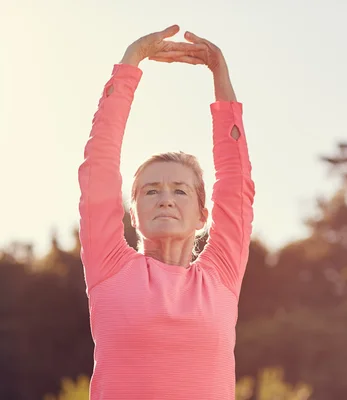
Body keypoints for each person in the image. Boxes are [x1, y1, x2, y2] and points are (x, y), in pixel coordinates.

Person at [77, 25, 255, 399]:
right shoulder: (109, 266)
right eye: (151, 190)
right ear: (133, 212)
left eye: (180, 190)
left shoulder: (220, 275)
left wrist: (220, 77)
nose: (166, 198)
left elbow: (236, 182)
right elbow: (100, 164)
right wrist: (129, 64)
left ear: (203, 214)